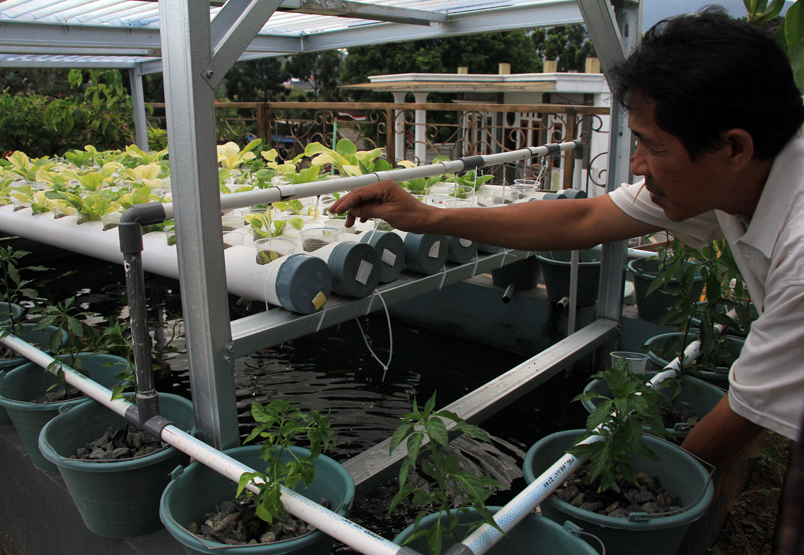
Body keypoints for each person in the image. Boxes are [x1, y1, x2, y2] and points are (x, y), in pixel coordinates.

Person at [330, 7, 804, 471]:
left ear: (734, 147)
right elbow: (584, 218)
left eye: (653, 146)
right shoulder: (741, 175)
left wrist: (633, 484)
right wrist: (427, 217)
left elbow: (745, 413)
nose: (637, 165)